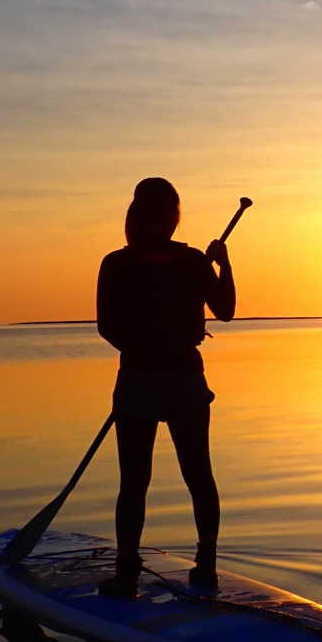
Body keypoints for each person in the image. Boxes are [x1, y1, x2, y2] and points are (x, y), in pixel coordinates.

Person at [96, 177, 236, 595]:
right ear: (172, 216)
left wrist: (145, 350)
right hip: (178, 381)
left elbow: (108, 328)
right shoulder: (190, 261)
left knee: (135, 481)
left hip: (141, 380)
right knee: (198, 475)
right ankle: (206, 565)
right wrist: (223, 264)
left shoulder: (118, 263)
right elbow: (226, 310)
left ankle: (127, 572)